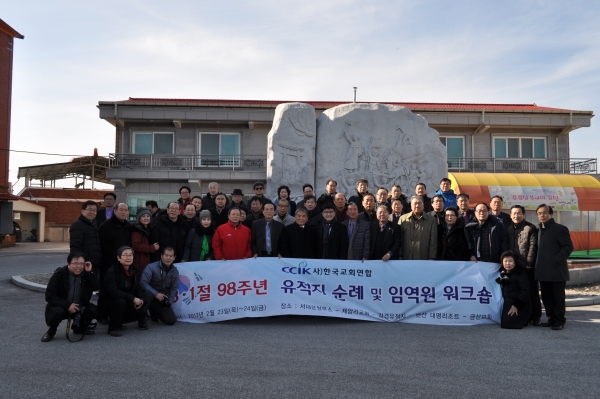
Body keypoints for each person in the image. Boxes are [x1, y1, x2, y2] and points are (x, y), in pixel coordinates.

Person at [41, 252, 100, 342]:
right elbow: (49, 296)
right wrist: (68, 305)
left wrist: (90, 272)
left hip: (80, 305)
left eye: (81, 263)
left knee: (94, 310)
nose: (78, 266)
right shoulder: (59, 275)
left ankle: (79, 327)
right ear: (68, 264)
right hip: (63, 306)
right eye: (75, 263)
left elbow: (96, 287)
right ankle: (51, 331)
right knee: (57, 312)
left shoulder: (86, 274)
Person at [535, 204, 574, 330]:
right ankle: (551, 319)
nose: (542, 215)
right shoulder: (538, 230)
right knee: (546, 297)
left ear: (551, 214)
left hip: (556, 270)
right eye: (539, 213)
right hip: (543, 271)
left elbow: (568, 247)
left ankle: (559, 321)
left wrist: (556, 259)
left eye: (545, 212)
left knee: (558, 297)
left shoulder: (560, 229)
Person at [99, 246, 152, 337]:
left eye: (130, 255)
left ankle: (139, 320)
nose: (128, 257)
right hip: (109, 303)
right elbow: (113, 292)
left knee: (147, 296)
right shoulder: (112, 271)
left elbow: (137, 288)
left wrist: (141, 299)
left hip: (126, 301)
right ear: (118, 258)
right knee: (120, 301)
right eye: (125, 255)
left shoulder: (133, 270)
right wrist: (133, 298)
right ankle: (113, 327)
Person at [508, 205, 541, 325]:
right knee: (519, 292)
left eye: (519, 213)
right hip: (514, 266)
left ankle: (536, 315)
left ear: (524, 214)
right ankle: (525, 315)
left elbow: (533, 246)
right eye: (514, 214)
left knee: (532, 291)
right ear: (510, 215)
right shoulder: (509, 229)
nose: (516, 216)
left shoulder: (530, 228)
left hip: (527, 266)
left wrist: (529, 263)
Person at [140, 247, 179, 325]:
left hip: (162, 298)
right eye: (166, 255)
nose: (168, 258)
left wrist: (170, 300)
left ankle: (155, 313)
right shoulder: (151, 267)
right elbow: (142, 283)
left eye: (171, 256)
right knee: (147, 294)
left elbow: (173, 288)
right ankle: (142, 318)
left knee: (171, 320)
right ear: (161, 256)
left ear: (174, 258)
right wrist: (155, 294)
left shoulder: (175, 272)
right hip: (150, 296)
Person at [98, 203, 133, 286]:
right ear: (115, 211)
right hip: (108, 263)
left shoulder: (129, 226)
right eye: (121, 210)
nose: (123, 212)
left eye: (125, 210)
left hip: (124, 262)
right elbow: (100, 244)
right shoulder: (105, 226)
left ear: (128, 212)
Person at [496, 250, 532, 329]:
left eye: (510, 261)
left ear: (515, 262)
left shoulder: (520, 273)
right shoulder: (503, 272)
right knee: (504, 323)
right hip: (508, 301)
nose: (508, 263)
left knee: (508, 324)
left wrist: (516, 305)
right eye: (505, 261)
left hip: (519, 302)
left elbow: (525, 291)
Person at [398, 196, 437, 260]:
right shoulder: (403, 218)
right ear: (411, 205)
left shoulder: (431, 220)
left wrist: (432, 257)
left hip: (423, 257)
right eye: (415, 203)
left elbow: (433, 241)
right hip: (406, 256)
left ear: (423, 205)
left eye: (419, 203)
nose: (417, 205)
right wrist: (400, 255)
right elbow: (400, 239)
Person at [69, 200, 101, 275]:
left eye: (94, 210)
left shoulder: (95, 224)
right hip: (85, 263)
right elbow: (75, 246)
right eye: (89, 210)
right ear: (82, 211)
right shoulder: (77, 225)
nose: (92, 212)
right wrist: (79, 263)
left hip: (95, 263)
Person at [131, 208, 159, 279]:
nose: (146, 218)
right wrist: (152, 248)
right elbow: (136, 245)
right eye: (143, 216)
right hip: (139, 261)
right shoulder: (137, 230)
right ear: (139, 218)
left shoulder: (150, 229)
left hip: (147, 260)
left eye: (148, 216)